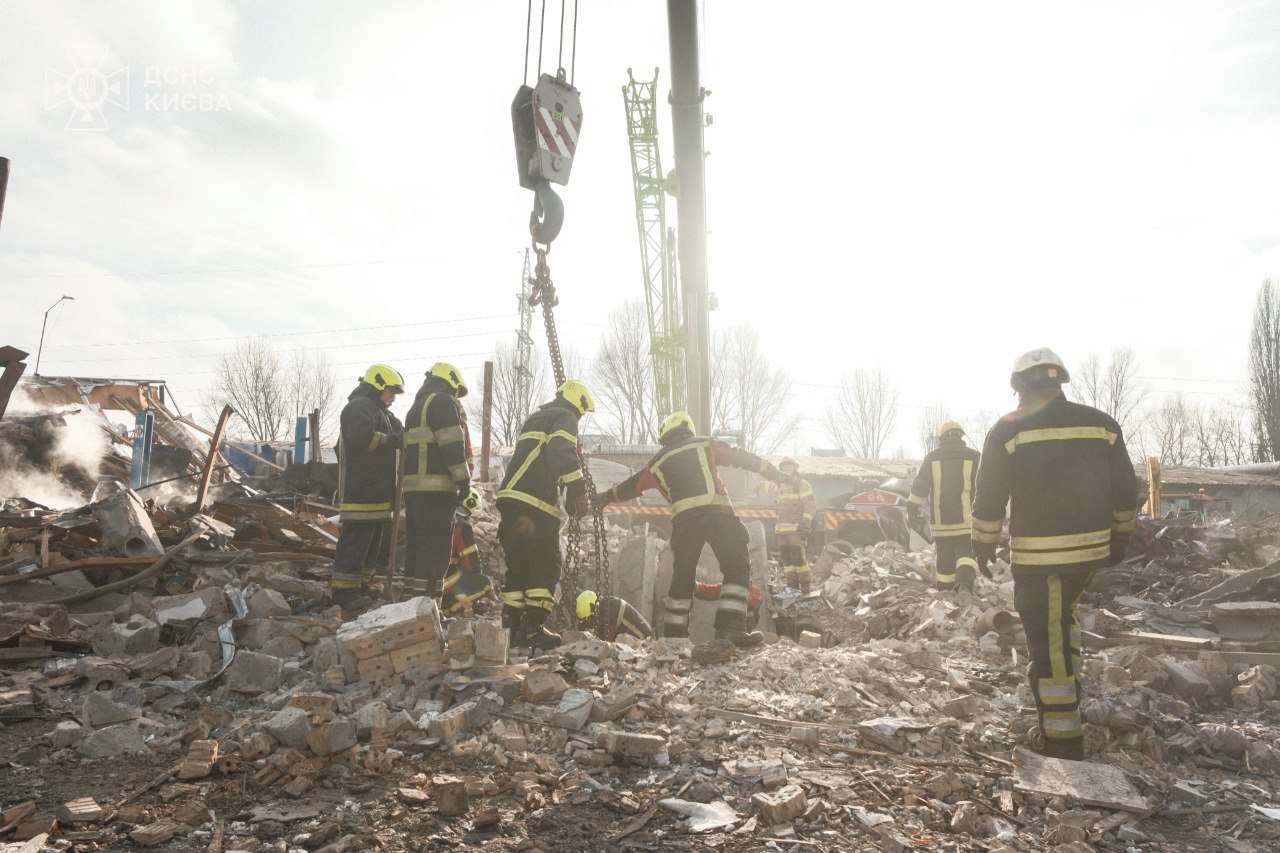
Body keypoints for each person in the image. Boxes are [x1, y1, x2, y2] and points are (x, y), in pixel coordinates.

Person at [971, 348, 1137, 760]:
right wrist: (1119, 538)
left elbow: (989, 496)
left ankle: (1062, 739)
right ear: (1058, 380)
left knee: (1048, 646)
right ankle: (1065, 687)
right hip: (1089, 555)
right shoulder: (1103, 424)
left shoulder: (1008, 429)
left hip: (1040, 558)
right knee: (1062, 617)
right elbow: (1126, 491)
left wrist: (984, 543)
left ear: (1018, 386)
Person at [595, 411, 790, 647]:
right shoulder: (705, 444)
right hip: (719, 516)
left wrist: (603, 498)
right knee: (737, 567)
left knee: (682, 577)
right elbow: (740, 457)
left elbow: (631, 486)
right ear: (687, 427)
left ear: (665, 434)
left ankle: (674, 638)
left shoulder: (656, 463)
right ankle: (730, 629)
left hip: (685, 523)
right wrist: (773, 473)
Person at [496, 379, 594, 651]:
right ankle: (531, 632)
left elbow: (542, 458)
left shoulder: (535, 418)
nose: (580, 418)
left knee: (519, 567)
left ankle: (511, 629)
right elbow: (561, 453)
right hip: (536, 504)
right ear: (578, 404)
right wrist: (578, 491)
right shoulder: (565, 416)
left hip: (511, 500)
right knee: (545, 566)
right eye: (582, 413)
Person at [331, 364, 406, 609]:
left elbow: (401, 433)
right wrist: (395, 440)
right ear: (377, 385)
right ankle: (344, 593)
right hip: (361, 493)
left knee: (371, 546)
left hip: (376, 495)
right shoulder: (360, 407)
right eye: (391, 390)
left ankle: (361, 586)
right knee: (355, 545)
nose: (393, 396)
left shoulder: (382, 412)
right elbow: (363, 438)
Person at [402, 362, 471, 600]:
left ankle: (409, 601)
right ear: (450, 384)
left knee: (417, 547)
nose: (457, 398)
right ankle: (428, 605)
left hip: (414, 492)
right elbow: (452, 446)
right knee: (436, 549)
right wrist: (464, 483)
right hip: (437, 493)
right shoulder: (443, 402)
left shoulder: (416, 407)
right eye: (457, 392)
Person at [907, 421, 982, 590]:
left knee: (945, 558)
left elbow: (920, 487)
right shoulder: (975, 456)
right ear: (961, 435)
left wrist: (911, 508)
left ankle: (945, 593)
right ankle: (964, 587)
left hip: (941, 522)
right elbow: (985, 487)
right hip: (967, 522)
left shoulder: (931, 457)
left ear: (941, 438)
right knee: (966, 555)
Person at [440, 488, 491, 615]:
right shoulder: (462, 525)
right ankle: (448, 609)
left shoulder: (439, 516)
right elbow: (471, 564)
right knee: (485, 583)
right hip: (443, 580)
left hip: (423, 578)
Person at [774, 457, 817, 591]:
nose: (786, 469)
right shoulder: (780, 485)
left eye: (789, 467)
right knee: (786, 559)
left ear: (795, 468)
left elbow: (810, 505)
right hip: (782, 531)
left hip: (796, 530)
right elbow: (771, 489)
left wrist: (805, 524)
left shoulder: (802, 485)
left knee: (798, 557)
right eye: (784, 468)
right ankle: (792, 584)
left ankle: (805, 584)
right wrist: (760, 485)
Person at [576, 590, 654, 641]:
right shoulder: (609, 604)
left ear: (593, 611)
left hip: (647, 643)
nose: (587, 624)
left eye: (587, 619)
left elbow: (606, 644)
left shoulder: (609, 614)